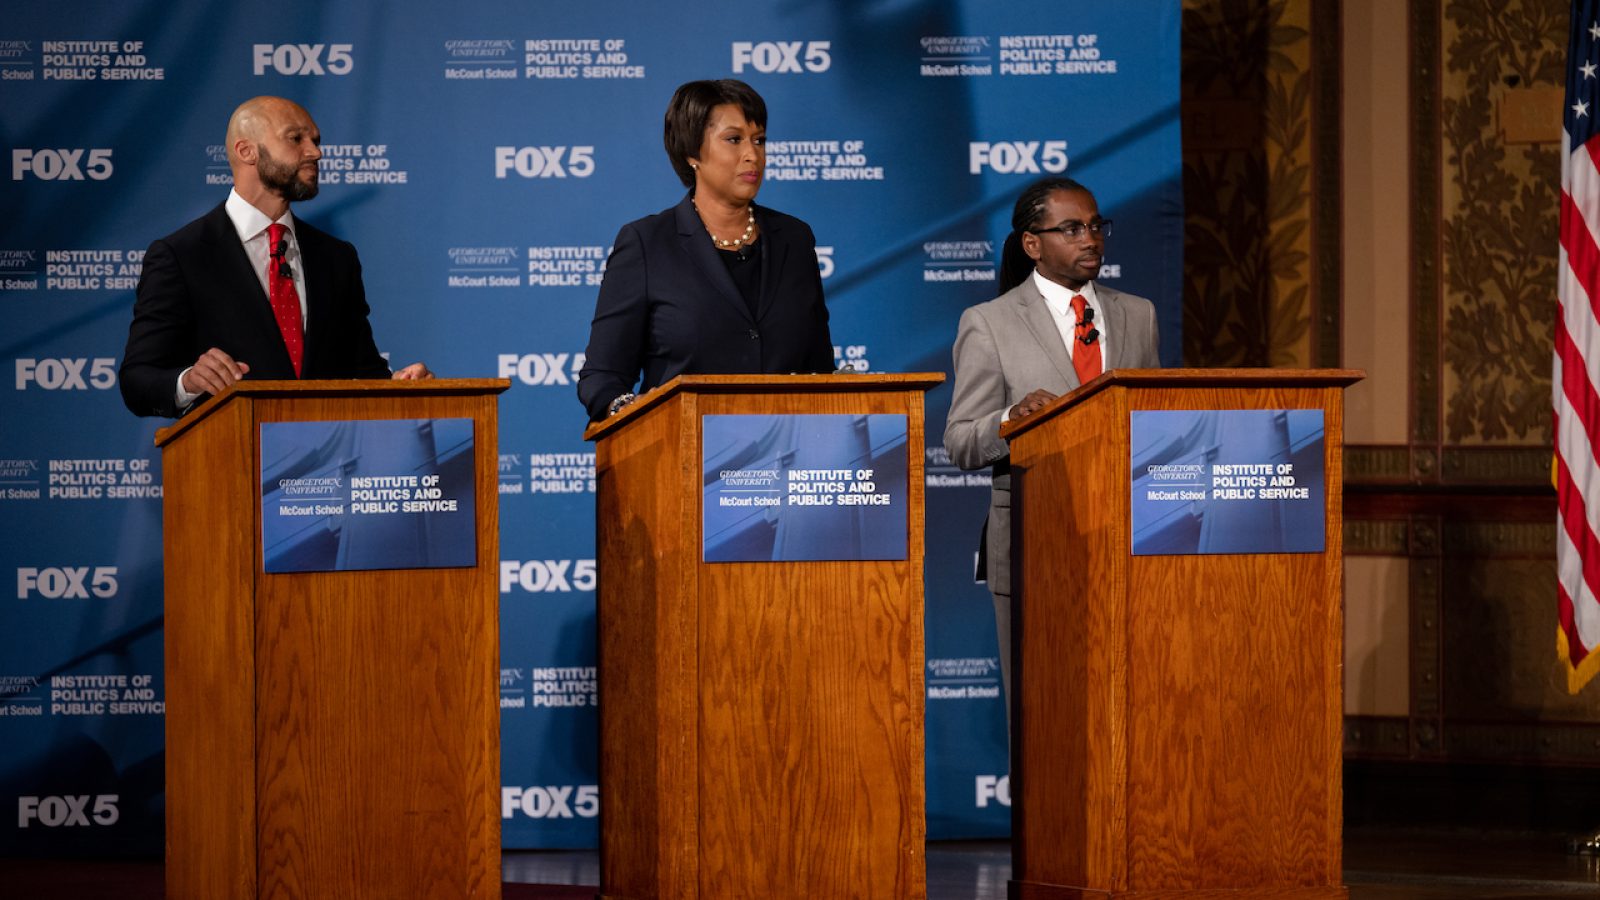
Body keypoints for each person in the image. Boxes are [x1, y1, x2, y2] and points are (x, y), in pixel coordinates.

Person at [943, 176, 1160, 708]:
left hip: (1126, 541)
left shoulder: (1139, 314)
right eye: (1070, 229)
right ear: (1033, 244)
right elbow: (961, 442)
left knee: (1127, 703)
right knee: (1042, 711)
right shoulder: (988, 323)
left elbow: (1154, 421)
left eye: (1094, 225)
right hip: (1033, 543)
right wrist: (1011, 418)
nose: (1090, 239)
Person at [120, 95, 430, 418]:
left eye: (315, 141)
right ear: (246, 151)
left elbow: (363, 371)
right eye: (296, 139)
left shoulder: (337, 259)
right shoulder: (181, 256)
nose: (315, 152)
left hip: (327, 462)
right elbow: (138, 380)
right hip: (230, 458)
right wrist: (189, 382)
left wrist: (399, 384)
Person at [576, 79, 833, 421]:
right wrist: (629, 409)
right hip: (683, 455)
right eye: (734, 139)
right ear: (692, 152)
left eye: (759, 140)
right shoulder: (647, 243)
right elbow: (602, 377)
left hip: (789, 454)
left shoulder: (795, 239)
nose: (752, 155)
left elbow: (821, 371)